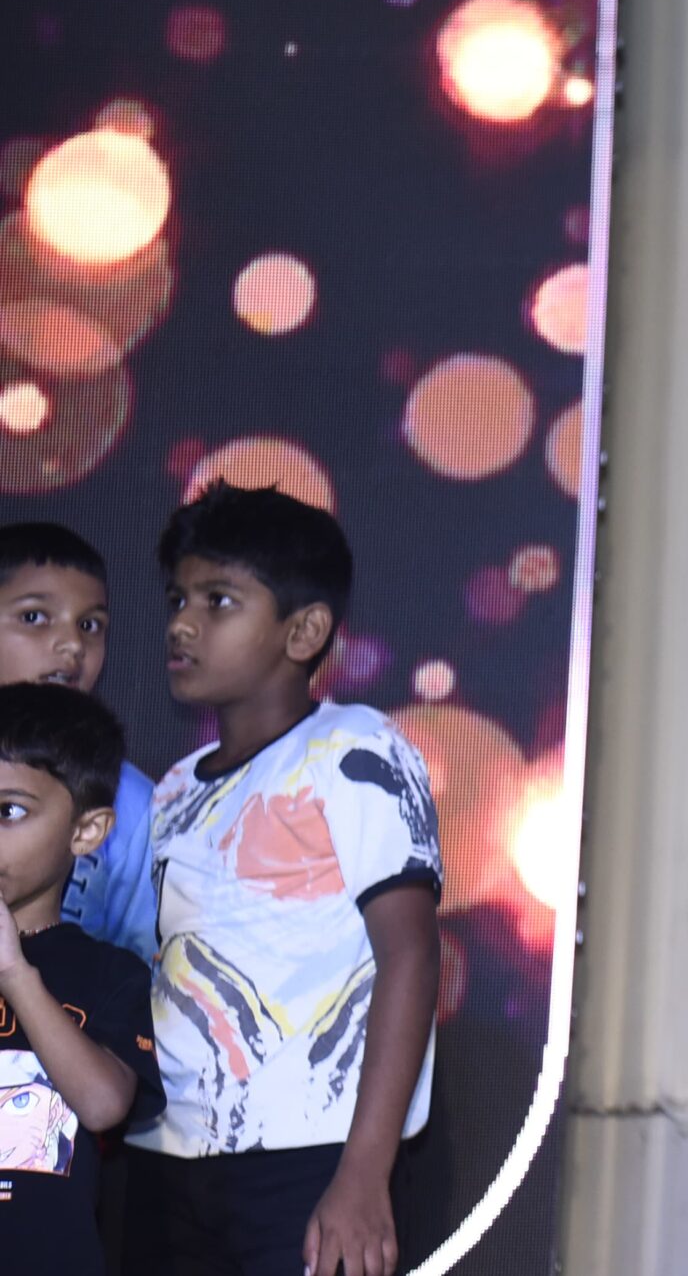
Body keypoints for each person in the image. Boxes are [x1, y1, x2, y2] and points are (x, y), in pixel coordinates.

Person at [127, 484, 441, 1276]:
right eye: (177, 600)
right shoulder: (173, 787)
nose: (182, 624)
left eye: (219, 600)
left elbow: (410, 954)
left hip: (311, 1158)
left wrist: (364, 1174)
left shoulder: (354, 748)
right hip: (164, 1161)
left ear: (305, 631)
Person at [0, 682, 163, 1276]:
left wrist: (14, 972)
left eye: (9, 812)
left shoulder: (107, 973)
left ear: (86, 831)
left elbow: (102, 1105)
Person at [0, 523, 154, 961]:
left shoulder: (132, 801)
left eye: (90, 625)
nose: (72, 644)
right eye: (34, 617)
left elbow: (142, 964)